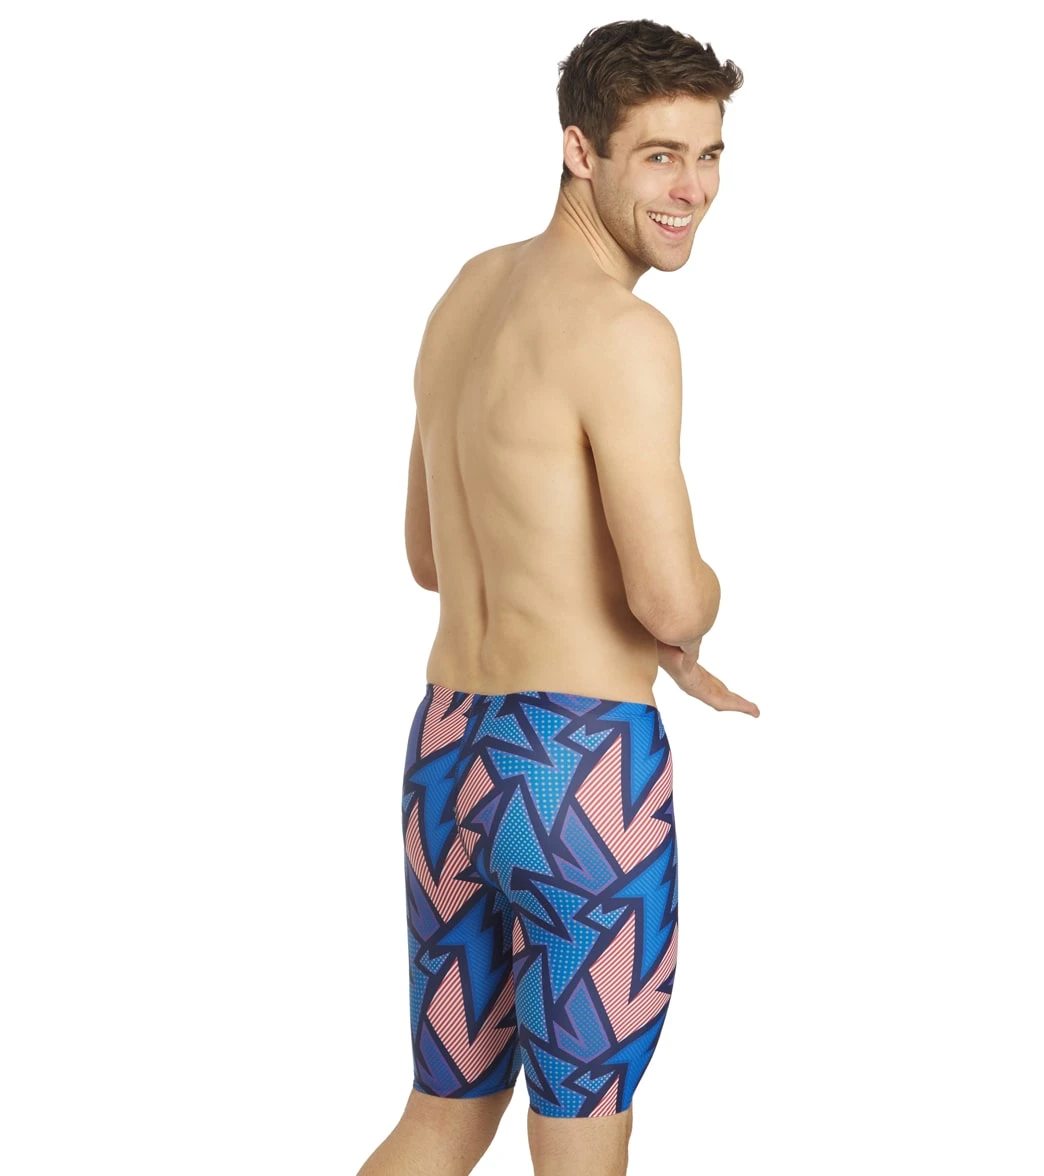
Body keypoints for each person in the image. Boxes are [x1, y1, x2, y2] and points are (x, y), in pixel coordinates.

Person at [358, 18, 757, 1176]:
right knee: (581, 1128)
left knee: (443, 1112)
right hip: (578, 770)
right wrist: (699, 606)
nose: (692, 190)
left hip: (449, 753)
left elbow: (430, 555)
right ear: (579, 149)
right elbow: (673, 601)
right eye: (659, 156)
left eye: (710, 155)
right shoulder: (626, 332)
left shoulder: (467, 295)